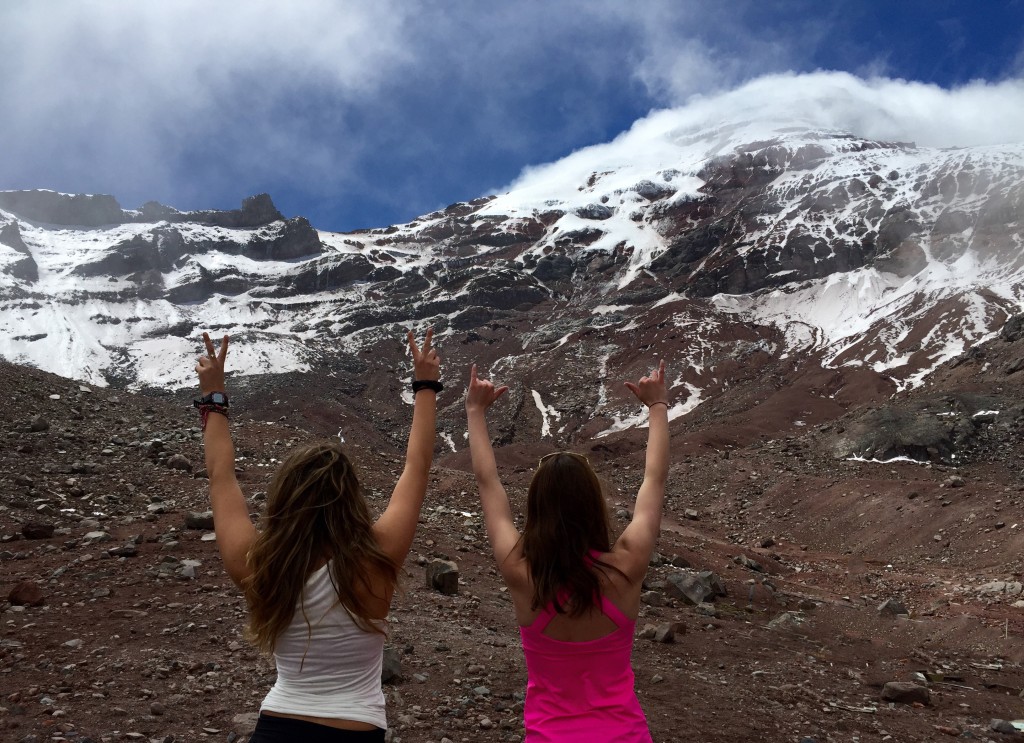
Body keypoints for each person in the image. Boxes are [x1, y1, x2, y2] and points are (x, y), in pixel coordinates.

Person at [193, 329, 441, 742]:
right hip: (357, 727)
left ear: (282, 500)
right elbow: (417, 465)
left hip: (276, 727)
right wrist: (426, 384)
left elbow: (221, 477)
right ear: (352, 499)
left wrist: (214, 397)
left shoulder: (260, 564)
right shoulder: (377, 557)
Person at [465, 360, 670, 742]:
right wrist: (657, 406)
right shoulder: (626, 568)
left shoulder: (522, 574)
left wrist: (475, 412)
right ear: (593, 504)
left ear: (537, 507)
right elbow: (653, 479)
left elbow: (487, 481)